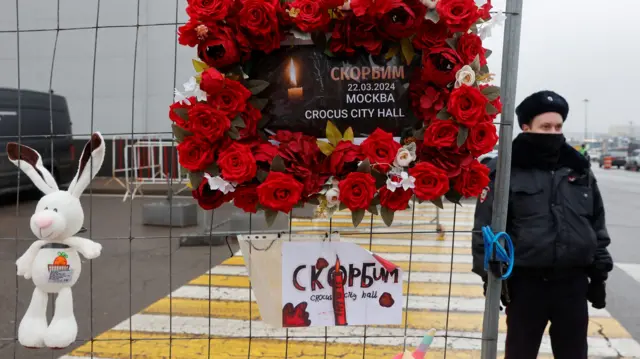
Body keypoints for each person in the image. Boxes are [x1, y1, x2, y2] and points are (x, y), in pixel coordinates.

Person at [471, 90, 613, 359]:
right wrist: (490, 278)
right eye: (545, 127)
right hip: (526, 286)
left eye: (558, 127)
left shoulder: (578, 169)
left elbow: (596, 225)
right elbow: (484, 229)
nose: (553, 132)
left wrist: (599, 274)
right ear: (526, 127)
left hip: (572, 285)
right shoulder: (504, 170)